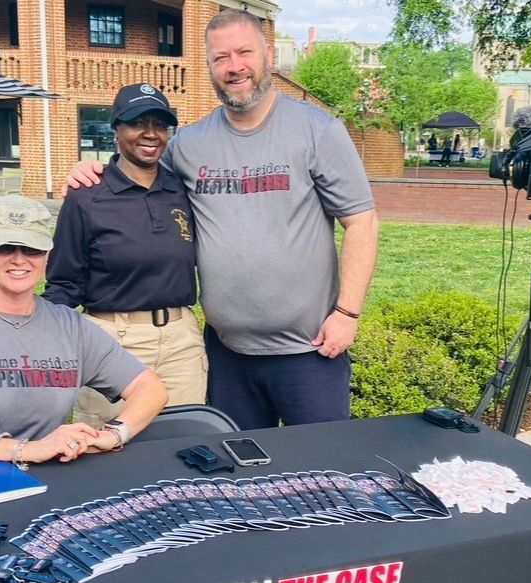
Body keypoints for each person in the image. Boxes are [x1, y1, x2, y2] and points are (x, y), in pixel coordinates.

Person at [67, 9, 380, 430]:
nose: (234, 67)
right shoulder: (190, 144)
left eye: (244, 52)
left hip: (311, 352)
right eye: (220, 58)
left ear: (268, 54)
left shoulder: (316, 130)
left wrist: (347, 314)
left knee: (322, 473)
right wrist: (93, 171)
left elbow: (361, 220)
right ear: (210, 67)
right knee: (237, 479)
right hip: (227, 356)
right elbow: (141, 173)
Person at [0, 195, 169, 469]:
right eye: (4, 247)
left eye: (32, 249)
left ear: (47, 254)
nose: (19, 259)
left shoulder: (70, 326)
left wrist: (114, 435)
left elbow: (150, 388)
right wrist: (27, 450)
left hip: (26, 481)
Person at [45, 83, 205, 428]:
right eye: (137, 123)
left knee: (187, 443)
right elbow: (63, 283)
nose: (150, 134)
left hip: (182, 343)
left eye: (160, 125)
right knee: (107, 450)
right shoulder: (87, 196)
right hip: (114, 342)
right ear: (116, 128)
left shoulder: (182, 189)